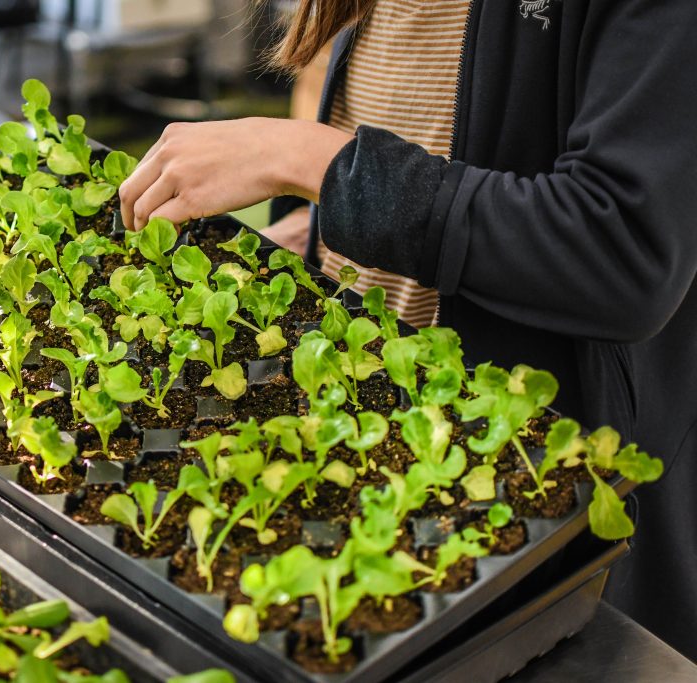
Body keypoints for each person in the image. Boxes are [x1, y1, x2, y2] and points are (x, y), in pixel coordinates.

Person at [119, 0, 697, 661]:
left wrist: (313, 160)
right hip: (362, 443)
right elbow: (452, 150)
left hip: (519, 516)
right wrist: (325, 239)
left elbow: (621, 248)